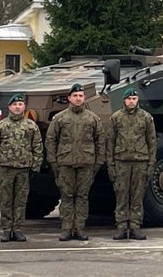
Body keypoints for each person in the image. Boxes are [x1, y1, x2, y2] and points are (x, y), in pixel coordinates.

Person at [45, 83, 104, 242]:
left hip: (86, 164)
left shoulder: (92, 118)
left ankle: (79, 228)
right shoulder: (60, 118)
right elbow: (51, 140)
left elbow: (100, 141)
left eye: (81, 96)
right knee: (66, 196)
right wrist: (53, 161)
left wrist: (98, 163)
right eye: (75, 96)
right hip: (65, 163)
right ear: (69, 98)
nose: (78, 98)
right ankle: (66, 228)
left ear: (84, 98)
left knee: (82, 197)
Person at [0, 92, 42, 243]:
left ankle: (18, 229)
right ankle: (6, 229)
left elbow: (37, 147)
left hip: (24, 169)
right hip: (5, 169)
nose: (17, 107)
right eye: (14, 105)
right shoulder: (1, 126)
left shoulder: (31, 126)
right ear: (9, 107)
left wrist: (35, 167)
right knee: (5, 200)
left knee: (20, 201)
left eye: (20, 105)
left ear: (24, 107)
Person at [107, 87, 156, 240]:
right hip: (121, 161)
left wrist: (150, 164)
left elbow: (151, 142)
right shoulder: (116, 118)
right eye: (129, 99)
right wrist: (111, 165)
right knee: (122, 195)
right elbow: (110, 143)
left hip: (140, 161)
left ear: (137, 100)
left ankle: (135, 226)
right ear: (124, 100)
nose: (131, 101)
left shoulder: (146, 117)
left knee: (137, 196)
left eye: (134, 99)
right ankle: (122, 226)